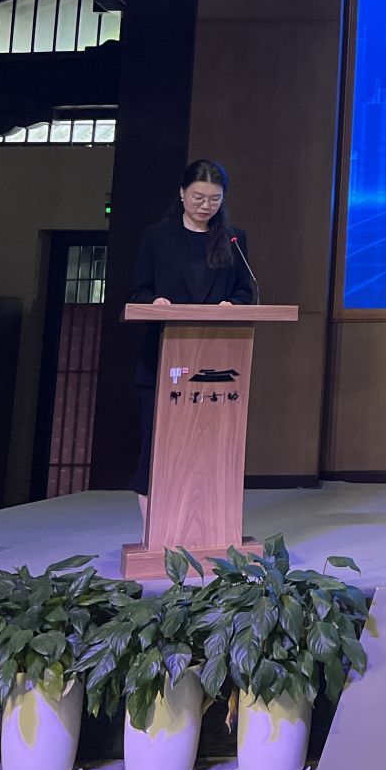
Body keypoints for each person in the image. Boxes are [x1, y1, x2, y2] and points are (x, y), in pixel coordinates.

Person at [127, 159, 256, 511]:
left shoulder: (233, 239)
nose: (205, 206)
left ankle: (209, 524)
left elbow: (246, 291)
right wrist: (155, 303)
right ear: (182, 193)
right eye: (198, 197)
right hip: (163, 360)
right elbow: (138, 291)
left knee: (210, 449)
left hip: (217, 364)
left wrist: (233, 304)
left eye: (214, 199)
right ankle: (154, 532)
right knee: (156, 448)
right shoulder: (157, 236)